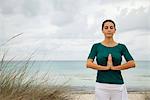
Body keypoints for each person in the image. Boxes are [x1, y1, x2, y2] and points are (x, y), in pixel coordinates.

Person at [86, 19, 136, 100]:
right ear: (102, 30)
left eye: (111, 27)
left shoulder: (121, 47)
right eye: (106, 27)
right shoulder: (96, 46)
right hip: (101, 85)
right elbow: (88, 63)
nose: (109, 29)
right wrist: (105, 68)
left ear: (115, 30)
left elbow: (132, 63)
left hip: (118, 85)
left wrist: (114, 68)